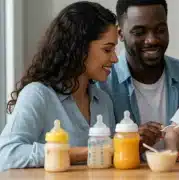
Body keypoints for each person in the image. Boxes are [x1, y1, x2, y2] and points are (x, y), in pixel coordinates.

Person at [0, 1, 118, 171]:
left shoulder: (103, 101)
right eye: (107, 50)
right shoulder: (38, 95)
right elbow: (5, 154)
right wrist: (76, 153)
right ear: (80, 48)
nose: (115, 59)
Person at [98, 0, 179, 153]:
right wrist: (125, 143)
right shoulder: (101, 83)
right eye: (139, 32)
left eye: (160, 30)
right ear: (120, 34)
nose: (152, 39)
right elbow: (90, 146)